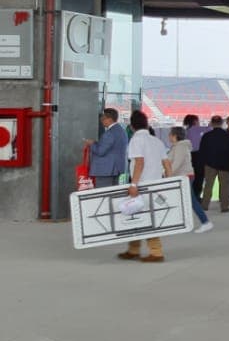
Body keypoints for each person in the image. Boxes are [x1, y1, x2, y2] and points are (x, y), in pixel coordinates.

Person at [118, 109, 171, 263]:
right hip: (156, 185)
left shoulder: (136, 141)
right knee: (138, 216)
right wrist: (169, 182)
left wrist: (134, 184)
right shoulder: (157, 141)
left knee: (144, 218)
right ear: (147, 125)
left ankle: (156, 252)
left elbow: (139, 163)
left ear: (132, 126)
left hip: (142, 185)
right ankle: (133, 249)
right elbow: (167, 164)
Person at [165, 126, 212, 233]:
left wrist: (167, 173)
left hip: (184, 176)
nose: (168, 136)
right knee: (185, 200)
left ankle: (205, 222)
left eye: (170, 134)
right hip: (182, 176)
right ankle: (186, 222)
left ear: (175, 136)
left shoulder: (180, 147)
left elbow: (177, 163)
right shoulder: (178, 146)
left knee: (191, 200)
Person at [199, 116, 229, 215]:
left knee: (208, 185)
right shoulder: (228, 135)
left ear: (212, 123)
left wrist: (202, 163)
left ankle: (205, 205)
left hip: (210, 164)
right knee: (225, 186)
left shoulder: (206, 136)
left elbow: (202, 151)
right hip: (224, 164)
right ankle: (224, 206)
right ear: (222, 123)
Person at [85, 107, 128, 188]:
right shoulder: (121, 131)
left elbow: (100, 151)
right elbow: (112, 147)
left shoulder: (109, 133)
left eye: (103, 118)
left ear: (110, 119)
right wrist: (96, 143)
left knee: (103, 194)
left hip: (105, 170)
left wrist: (91, 144)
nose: (101, 120)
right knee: (113, 193)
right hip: (116, 169)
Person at [185, 114, 209, 198]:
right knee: (199, 176)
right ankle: (197, 195)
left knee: (194, 176)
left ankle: (194, 195)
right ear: (195, 121)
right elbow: (208, 129)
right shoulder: (195, 128)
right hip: (198, 155)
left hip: (191, 155)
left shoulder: (187, 130)